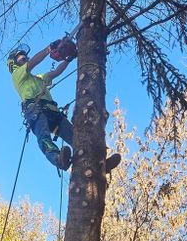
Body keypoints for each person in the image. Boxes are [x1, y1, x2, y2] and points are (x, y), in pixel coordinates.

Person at [7, 40, 121, 173]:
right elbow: (33, 63)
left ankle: (98, 162)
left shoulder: (38, 78)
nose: (25, 58)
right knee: (44, 137)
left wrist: (68, 59)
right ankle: (58, 159)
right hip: (36, 111)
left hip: (53, 112)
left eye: (25, 57)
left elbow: (55, 73)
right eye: (21, 57)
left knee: (77, 137)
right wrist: (49, 48)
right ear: (13, 63)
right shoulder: (17, 75)